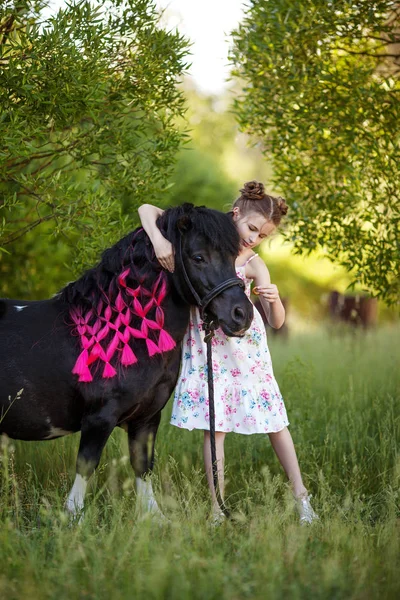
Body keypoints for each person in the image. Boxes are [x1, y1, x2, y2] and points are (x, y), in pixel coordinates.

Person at [138, 181, 318, 524]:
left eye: (261, 236)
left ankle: (303, 500)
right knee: (214, 427)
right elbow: (147, 210)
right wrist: (160, 239)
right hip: (210, 353)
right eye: (251, 228)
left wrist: (274, 298)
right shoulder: (205, 237)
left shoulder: (253, 263)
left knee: (276, 423)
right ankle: (217, 507)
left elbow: (276, 323)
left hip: (247, 355)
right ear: (235, 214)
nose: (253, 238)